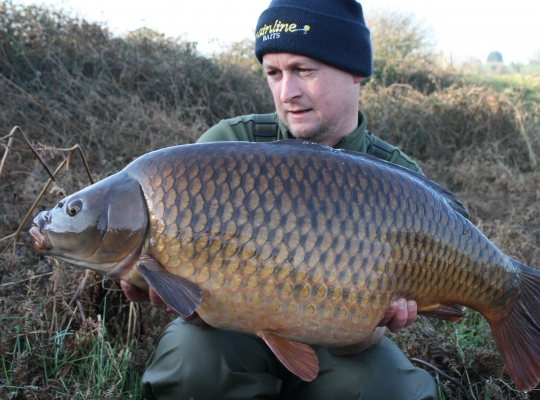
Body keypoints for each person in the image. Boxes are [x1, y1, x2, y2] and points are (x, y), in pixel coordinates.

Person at [121, 0, 437, 398]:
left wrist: (384, 318)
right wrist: (172, 293)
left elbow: (367, 333)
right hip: (228, 334)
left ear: (356, 72)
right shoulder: (226, 147)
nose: (288, 92)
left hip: (340, 343)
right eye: (274, 73)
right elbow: (193, 301)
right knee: (193, 364)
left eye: (304, 70)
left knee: (387, 390)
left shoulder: (400, 179)